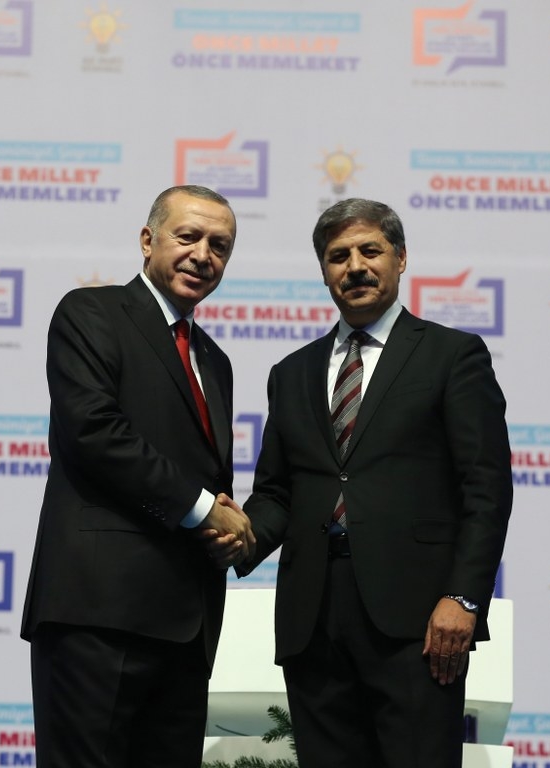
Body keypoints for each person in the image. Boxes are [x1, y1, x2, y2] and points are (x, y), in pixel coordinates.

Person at [208, 198, 512, 767]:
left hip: (420, 621)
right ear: (324, 272)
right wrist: (241, 536)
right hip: (312, 619)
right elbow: (278, 492)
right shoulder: (291, 373)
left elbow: (486, 489)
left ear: (400, 258)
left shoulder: (452, 356)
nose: (355, 266)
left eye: (370, 251)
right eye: (338, 256)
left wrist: (464, 597)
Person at [21, 184, 255, 768]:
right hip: (98, 615)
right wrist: (204, 509)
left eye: (220, 246)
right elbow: (95, 433)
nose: (203, 255)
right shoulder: (91, 313)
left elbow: (206, 476)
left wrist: (228, 527)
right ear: (148, 240)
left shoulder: (216, 361)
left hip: (187, 626)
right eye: (188, 236)